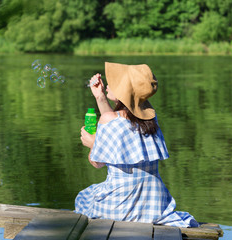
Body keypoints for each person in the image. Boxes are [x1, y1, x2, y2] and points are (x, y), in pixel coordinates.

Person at [75, 62, 199, 227]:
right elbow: (115, 123)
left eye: (114, 81)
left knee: (83, 197)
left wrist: (93, 144)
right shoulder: (150, 118)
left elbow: (98, 162)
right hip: (153, 205)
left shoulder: (108, 120)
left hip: (121, 205)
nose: (108, 84)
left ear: (123, 91)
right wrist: (100, 97)